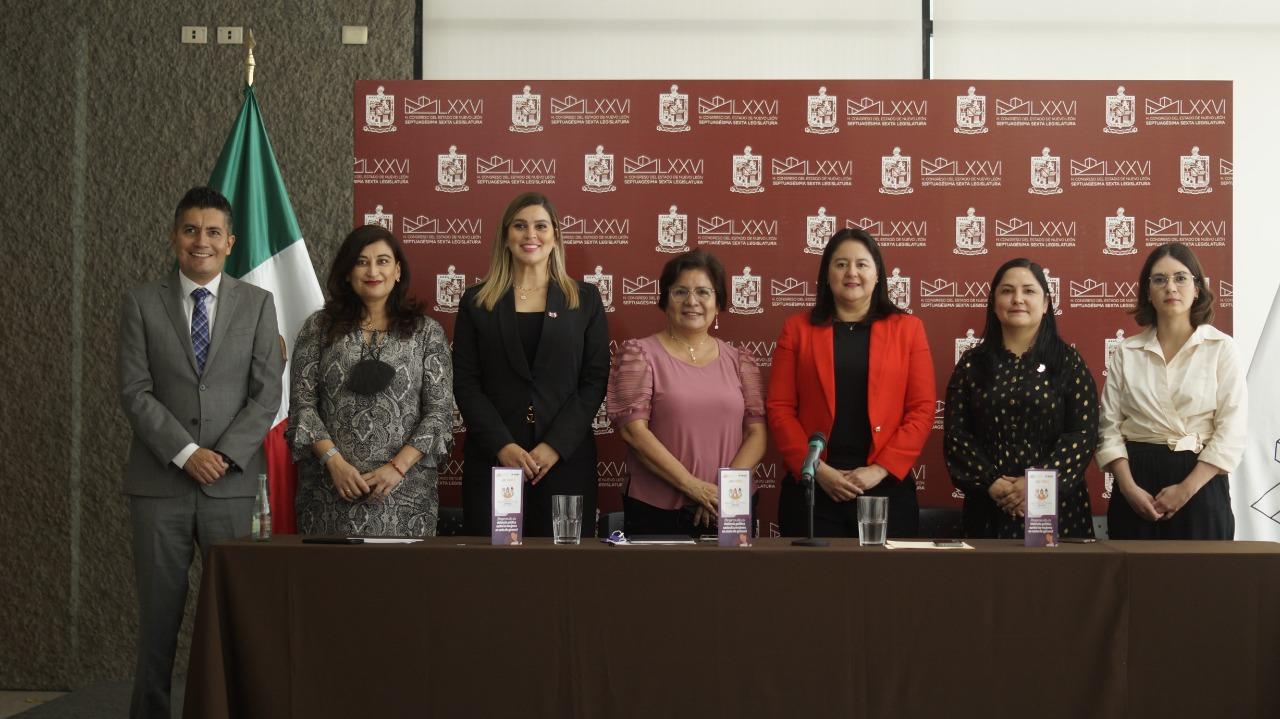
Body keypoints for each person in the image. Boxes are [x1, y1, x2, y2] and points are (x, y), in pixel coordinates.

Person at [118, 187, 284, 718]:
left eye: (213, 231)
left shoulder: (258, 304)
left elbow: (267, 393)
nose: (202, 241)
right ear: (173, 238)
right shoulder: (140, 303)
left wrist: (223, 455)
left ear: (231, 242)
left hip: (230, 487)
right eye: (190, 230)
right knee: (158, 623)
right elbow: (134, 392)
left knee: (235, 619)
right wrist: (187, 452)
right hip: (160, 487)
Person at [453, 192, 609, 536]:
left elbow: (594, 381)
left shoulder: (584, 300)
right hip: (495, 460)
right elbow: (465, 383)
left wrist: (554, 446)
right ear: (506, 237)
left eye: (540, 226)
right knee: (494, 575)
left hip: (565, 461)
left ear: (555, 236)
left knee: (564, 577)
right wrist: (503, 446)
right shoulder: (477, 302)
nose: (530, 235)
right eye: (520, 226)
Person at [766, 227, 935, 538]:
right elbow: (780, 408)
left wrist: (878, 471)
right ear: (826, 274)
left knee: (887, 587)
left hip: (885, 488)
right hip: (814, 488)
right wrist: (818, 470)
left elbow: (922, 410)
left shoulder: (908, 330)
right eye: (841, 264)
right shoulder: (797, 329)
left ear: (878, 274)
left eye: (861, 264)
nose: (851, 272)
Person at [288, 225, 453, 536]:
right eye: (361, 262)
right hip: (329, 491)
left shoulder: (426, 332)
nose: (373, 270)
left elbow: (439, 413)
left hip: (405, 495)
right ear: (347, 272)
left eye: (383, 261)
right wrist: (334, 463)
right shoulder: (319, 327)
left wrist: (397, 468)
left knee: (402, 585)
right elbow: (302, 405)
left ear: (398, 270)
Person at [606, 250, 767, 536]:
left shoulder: (741, 360)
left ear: (718, 303)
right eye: (681, 291)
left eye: (703, 292)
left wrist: (719, 492)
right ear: (665, 301)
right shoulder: (639, 354)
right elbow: (633, 432)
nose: (692, 301)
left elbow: (757, 434)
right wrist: (693, 487)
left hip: (728, 506)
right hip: (656, 510)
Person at [1097, 242, 1246, 539]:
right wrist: (1127, 488)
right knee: (1134, 583)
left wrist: (1186, 490)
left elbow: (1231, 430)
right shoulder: (1128, 350)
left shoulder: (1221, 348)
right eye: (1160, 279)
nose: (1171, 287)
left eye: (1180, 278)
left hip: (1201, 483)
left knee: (1201, 582)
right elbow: (1108, 429)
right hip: (1136, 485)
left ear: (1197, 288)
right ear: (1148, 292)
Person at [943, 258, 1098, 539]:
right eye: (1007, 291)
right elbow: (957, 435)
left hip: (1055, 503)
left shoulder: (1068, 362)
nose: (1017, 299)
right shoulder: (972, 364)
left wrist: (1036, 484)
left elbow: (1082, 434)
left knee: (1054, 583)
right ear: (993, 302)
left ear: (1046, 303)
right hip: (988, 502)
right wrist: (992, 483)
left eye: (1029, 291)